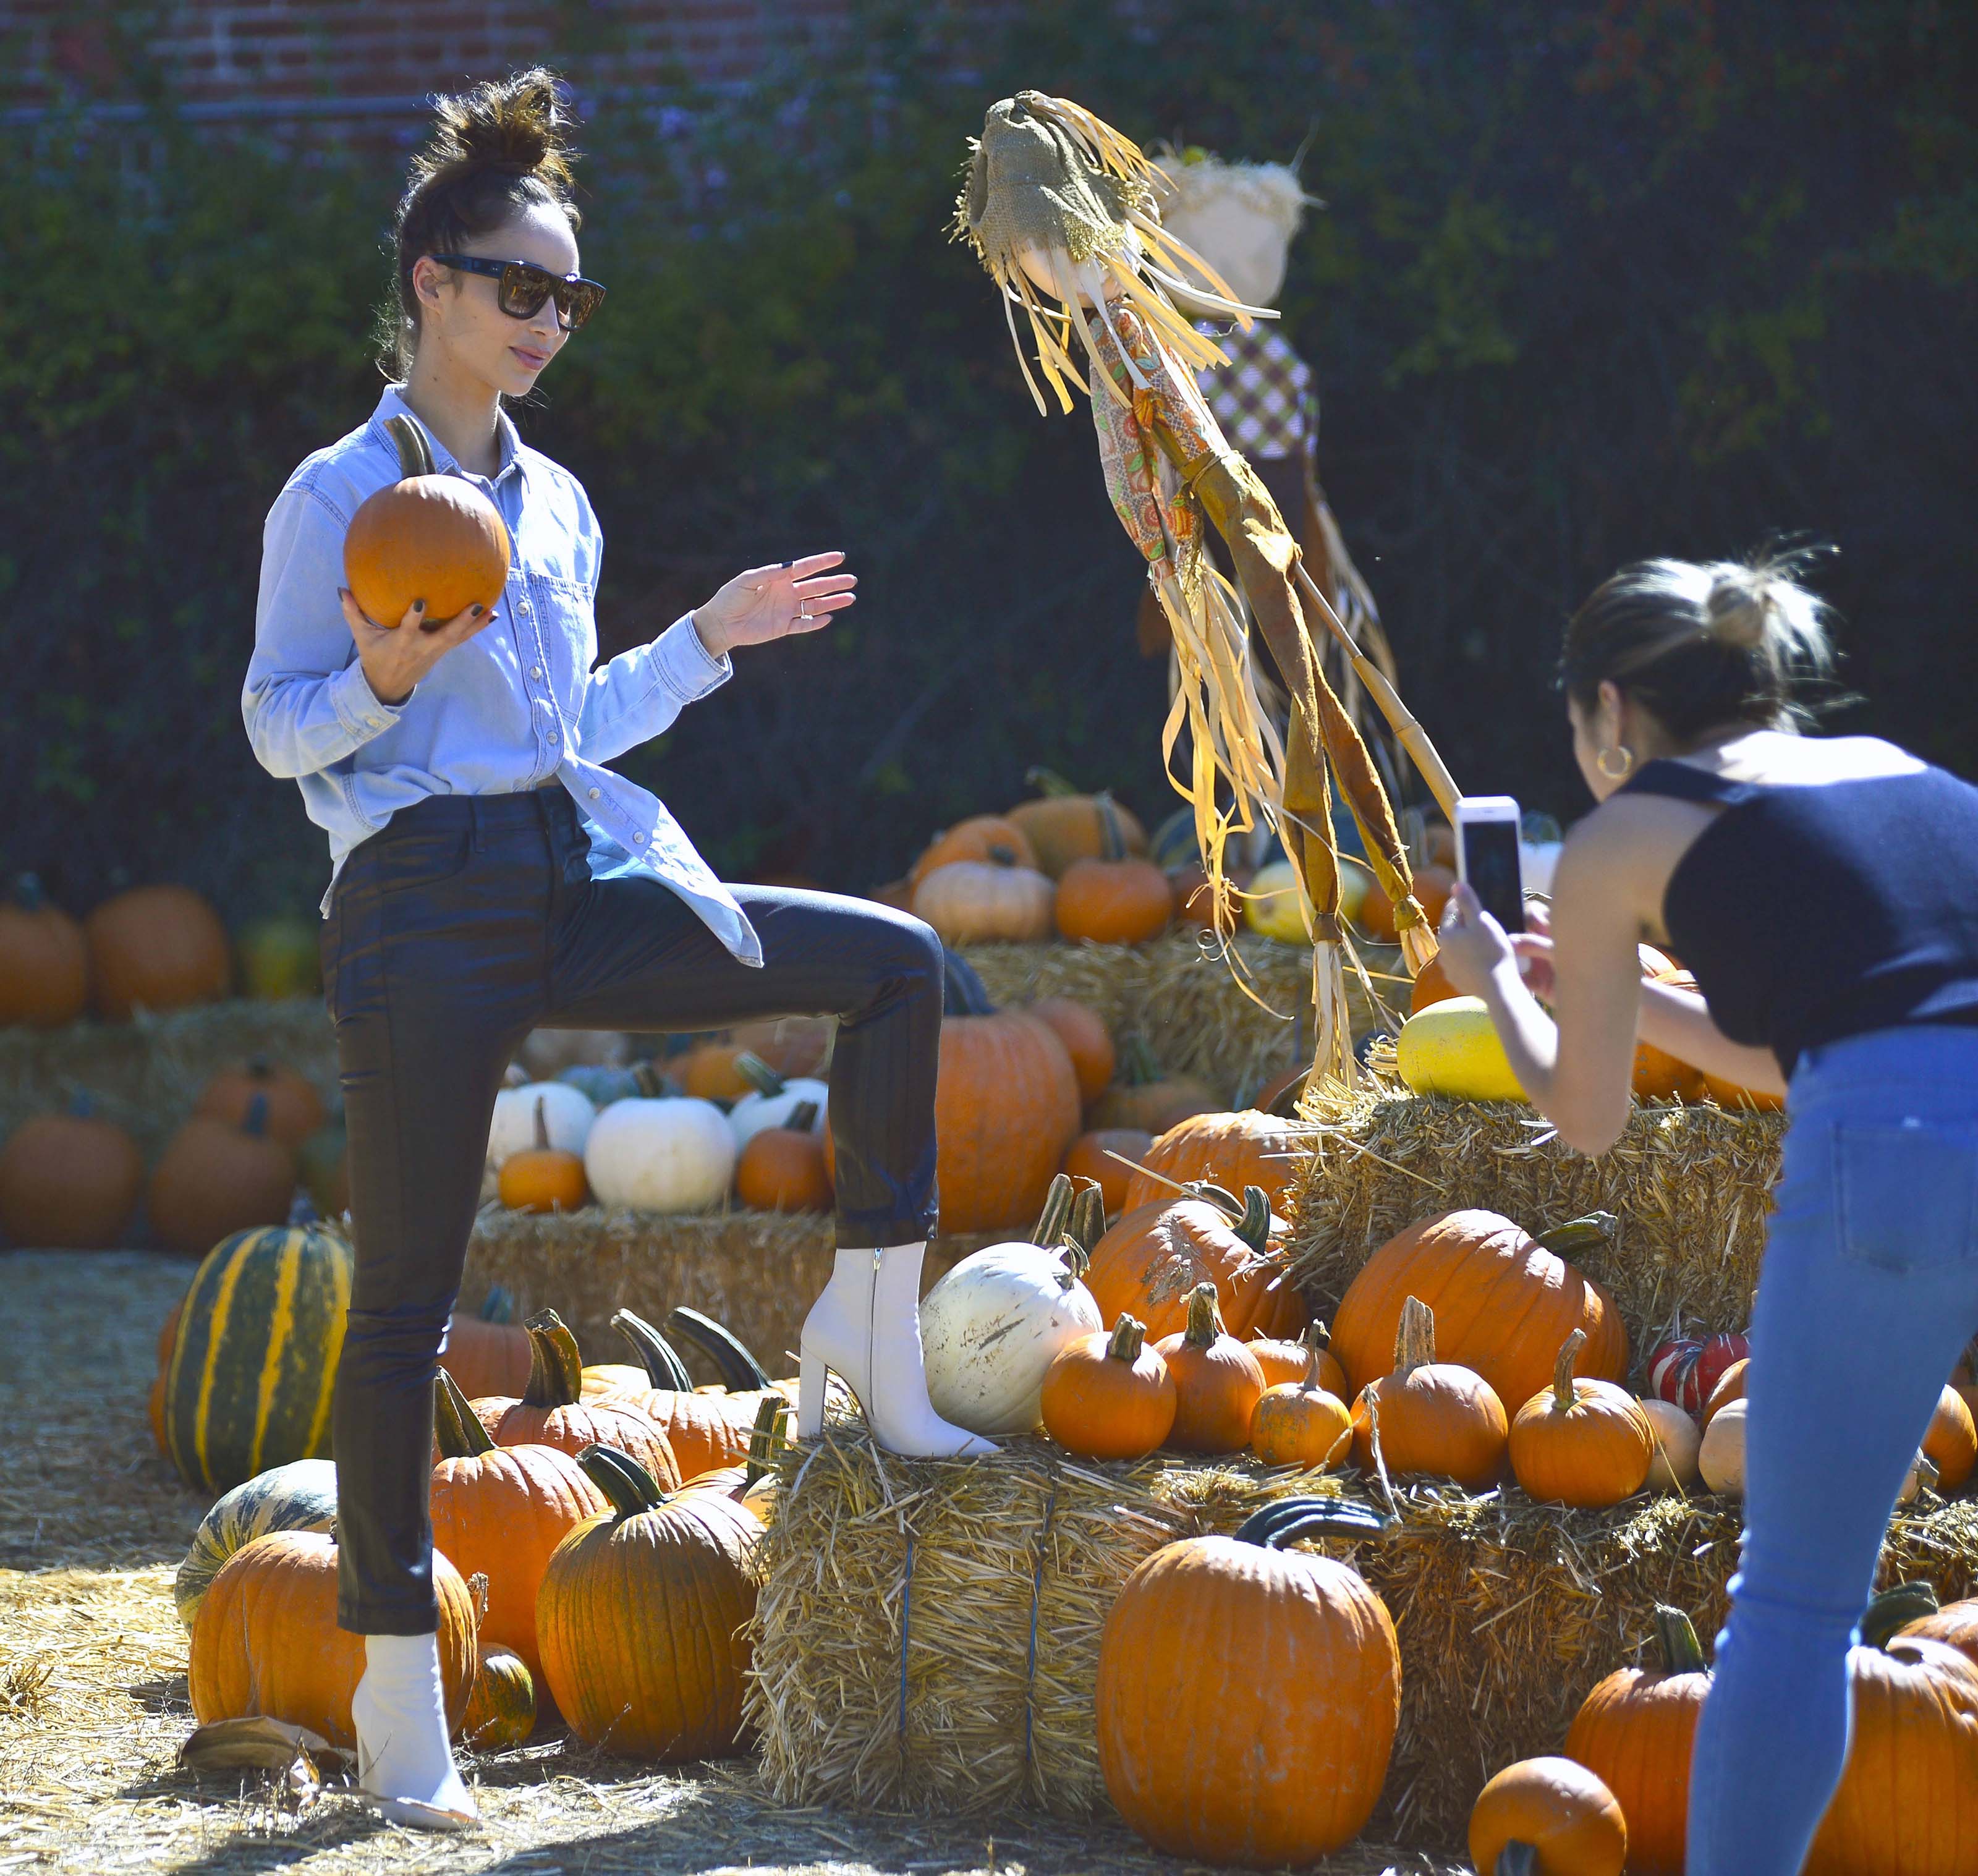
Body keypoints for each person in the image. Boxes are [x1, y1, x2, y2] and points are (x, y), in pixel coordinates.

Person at [243, 70, 989, 1831]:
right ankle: (395, 1675)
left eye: (569, 298)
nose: (548, 324)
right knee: (406, 1301)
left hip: (568, 869)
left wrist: (704, 641)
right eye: (521, 288)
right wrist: (387, 676)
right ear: (431, 279)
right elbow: (279, 729)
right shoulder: (335, 493)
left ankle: (868, 1332)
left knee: (893, 963)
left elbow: (571, 722)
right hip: (421, 899)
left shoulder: (561, 503)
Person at [1433, 550, 1978, 1875]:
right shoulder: (1906, 777)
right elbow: (1829, 1042)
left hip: (1895, 1157)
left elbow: (1589, 1117)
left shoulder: (1626, 832)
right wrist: (1632, 1000)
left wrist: (1493, 978)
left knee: (1792, 1610)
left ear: (1610, 711)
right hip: (1917, 1096)